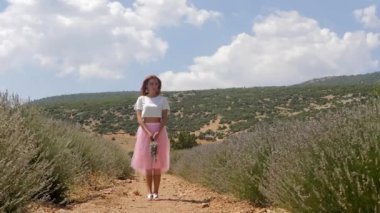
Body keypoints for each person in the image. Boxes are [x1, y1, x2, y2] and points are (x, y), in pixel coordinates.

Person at [130, 75, 170, 201]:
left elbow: (164, 118)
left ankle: (156, 193)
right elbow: (139, 119)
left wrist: (158, 131)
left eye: (156, 83)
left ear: (159, 86)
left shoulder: (163, 100)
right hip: (144, 132)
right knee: (148, 163)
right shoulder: (141, 99)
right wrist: (148, 132)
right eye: (151, 83)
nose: (154, 86)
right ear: (146, 86)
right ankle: (149, 192)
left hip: (160, 131)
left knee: (157, 163)